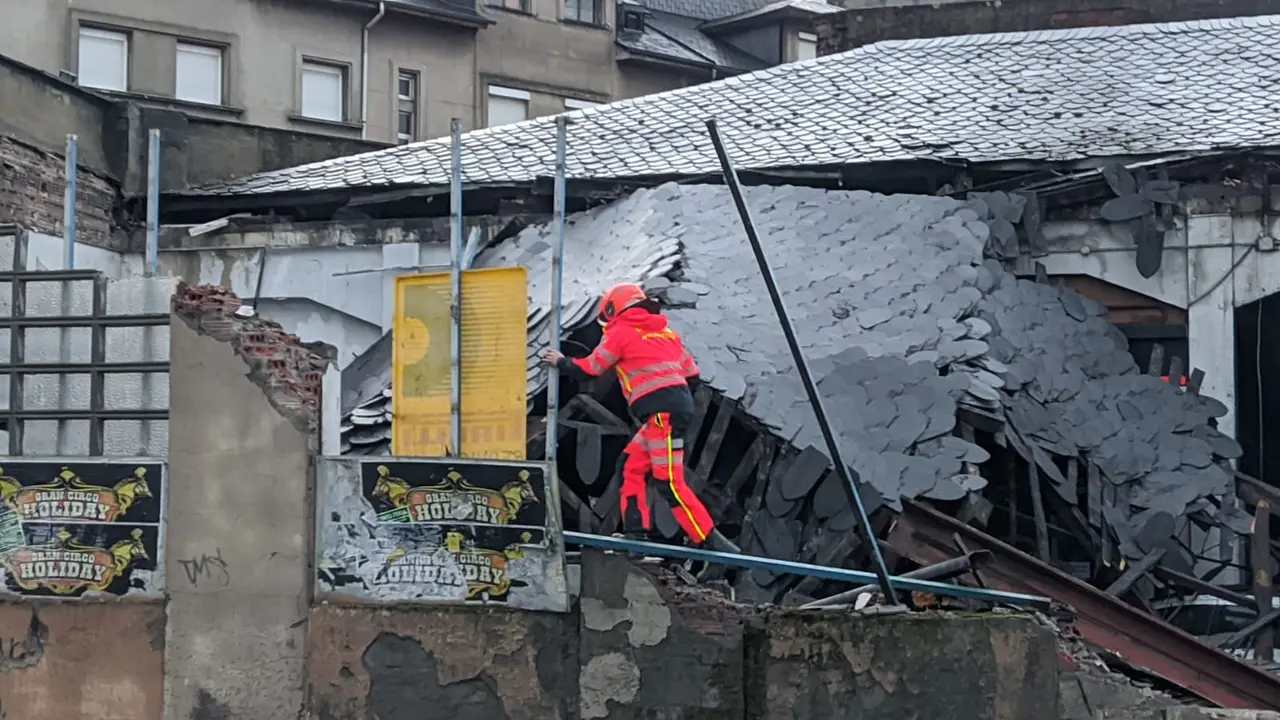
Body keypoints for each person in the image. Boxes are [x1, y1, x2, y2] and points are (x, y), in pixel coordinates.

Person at [544, 282, 739, 554]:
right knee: (630, 466)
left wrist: (561, 361)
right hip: (669, 411)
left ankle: (711, 543)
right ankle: (635, 534)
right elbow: (692, 376)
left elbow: (591, 368)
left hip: (660, 415)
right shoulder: (665, 333)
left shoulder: (619, 332)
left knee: (668, 481)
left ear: (613, 309)